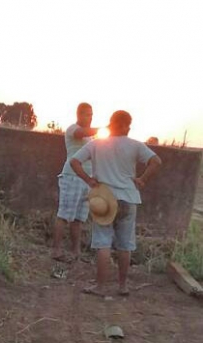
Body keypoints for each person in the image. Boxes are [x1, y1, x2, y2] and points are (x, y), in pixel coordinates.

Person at [70, 110, 162, 297]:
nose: (128, 128)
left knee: (103, 243)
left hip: (103, 198)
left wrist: (89, 180)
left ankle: (101, 287)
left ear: (111, 124)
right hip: (128, 198)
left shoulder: (97, 144)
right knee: (125, 245)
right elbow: (156, 161)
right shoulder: (135, 145)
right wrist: (142, 179)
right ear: (123, 125)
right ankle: (122, 286)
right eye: (127, 125)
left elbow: (74, 162)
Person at [52, 103, 99, 263]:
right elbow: (81, 133)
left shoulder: (91, 137)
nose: (90, 117)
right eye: (87, 114)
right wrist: (106, 128)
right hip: (72, 177)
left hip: (86, 179)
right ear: (79, 115)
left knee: (79, 219)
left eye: (91, 114)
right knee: (64, 215)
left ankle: (75, 251)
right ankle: (57, 250)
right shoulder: (73, 129)